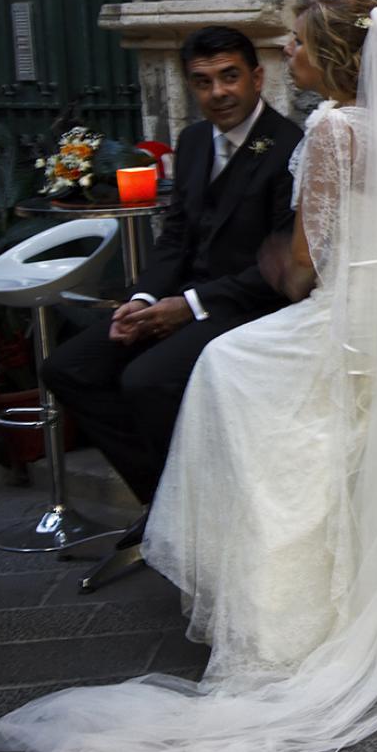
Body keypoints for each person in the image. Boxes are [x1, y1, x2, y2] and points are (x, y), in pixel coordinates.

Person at [0, 0, 377, 752]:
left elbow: (309, 261)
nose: (289, 52)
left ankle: (276, 609)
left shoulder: (330, 126)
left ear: (330, 54)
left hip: (342, 318)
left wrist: (280, 266)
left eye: (298, 42)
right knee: (223, 376)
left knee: (225, 369)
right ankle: (306, 582)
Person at [41, 26, 300, 508]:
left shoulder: (289, 146)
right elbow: (176, 237)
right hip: (179, 297)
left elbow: (283, 266)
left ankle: (192, 505)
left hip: (247, 305)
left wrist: (190, 306)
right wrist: (141, 300)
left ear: (257, 77)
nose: (218, 92)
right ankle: (164, 501)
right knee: (68, 367)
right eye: (203, 81)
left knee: (146, 379)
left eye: (229, 76)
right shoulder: (194, 139)